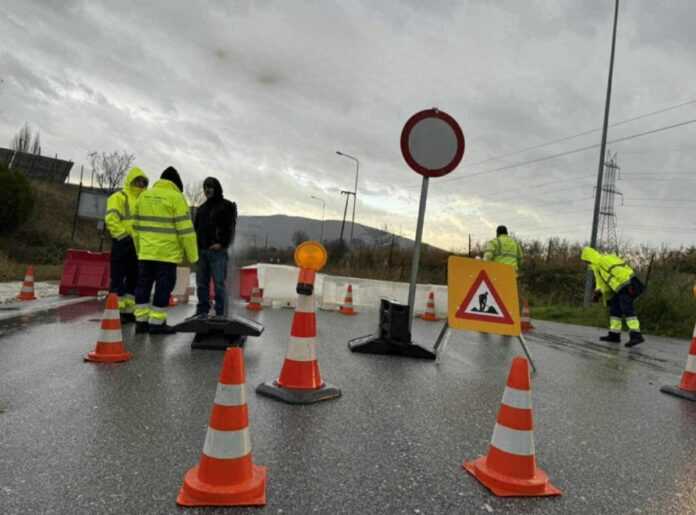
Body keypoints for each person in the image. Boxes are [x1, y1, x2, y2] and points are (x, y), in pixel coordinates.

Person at [132, 166, 198, 334]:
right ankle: (156, 323)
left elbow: (135, 228)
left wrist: (140, 250)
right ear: (176, 184)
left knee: (143, 286)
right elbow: (186, 231)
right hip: (166, 256)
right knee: (163, 288)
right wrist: (193, 256)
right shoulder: (177, 198)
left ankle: (140, 322)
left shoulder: (143, 196)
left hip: (146, 254)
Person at [104, 167, 149, 322]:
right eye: (138, 180)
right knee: (118, 278)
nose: (140, 184)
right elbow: (111, 219)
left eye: (143, 181)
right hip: (122, 243)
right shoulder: (119, 197)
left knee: (134, 279)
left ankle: (128, 312)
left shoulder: (145, 200)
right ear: (131, 180)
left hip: (138, 245)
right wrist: (123, 237)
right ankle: (114, 312)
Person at [581, 246, 645, 347]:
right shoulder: (597, 267)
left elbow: (619, 271)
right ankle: (614, 335)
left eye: (586, 260)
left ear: (589, 257)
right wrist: (598, 293)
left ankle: (636, 335)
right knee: (615, 310)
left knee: (627, 309)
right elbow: (601, 284)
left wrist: (628, 284)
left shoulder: (604, 260)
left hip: (627, 284)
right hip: (619, 289)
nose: (586, 263)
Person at [192, 177, 238, 318]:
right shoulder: (201, 209)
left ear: (216, 188)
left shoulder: (226, 206)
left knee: (219, 284)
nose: (207, 190)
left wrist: (222, 244)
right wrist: (196, 248)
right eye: (205, 187)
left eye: (210, 187)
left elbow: (231, 228)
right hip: (202, 252)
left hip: (218, 253)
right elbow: (195, 229)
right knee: (201, 284)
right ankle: (202, 312)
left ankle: (220, 313)